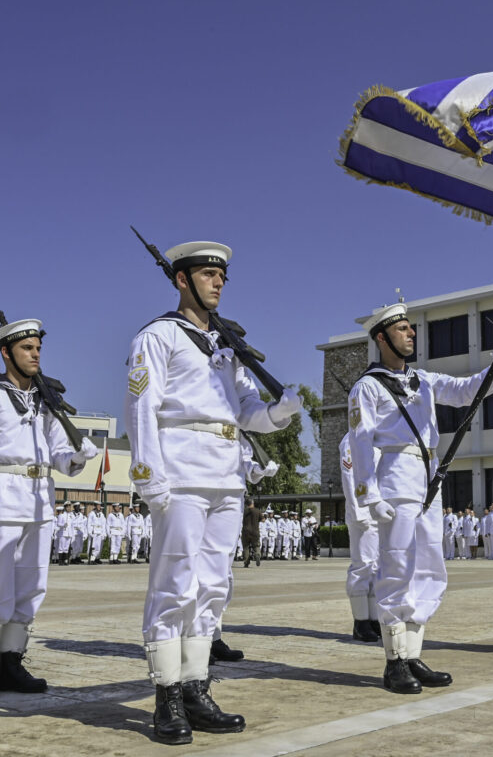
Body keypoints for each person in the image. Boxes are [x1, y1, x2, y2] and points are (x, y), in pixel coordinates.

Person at [126, 240, 302, 744]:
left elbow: (244, 412)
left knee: (212, 586)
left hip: (226, 475)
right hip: (179, 471)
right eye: (207, 274)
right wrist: (147, 474)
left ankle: (197, 687)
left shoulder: (226, 347)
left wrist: (279, 413)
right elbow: (141, 407)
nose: (218, 282)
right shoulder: (158, 336)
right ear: (182, 280)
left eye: (221, 275)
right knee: (174, 584)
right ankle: (166, 696)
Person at [348, 300, 493, 694]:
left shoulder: (422, 380)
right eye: (402, 329)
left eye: (410, 328)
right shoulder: (367, 387)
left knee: (429, 566)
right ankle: (394, 661)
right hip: (395, 475)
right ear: (381, 337)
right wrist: (369, 494)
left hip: (428, 478)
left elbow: (463, 391)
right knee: (397, 566)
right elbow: (360, 441)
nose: (411, 333)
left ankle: (412, 652)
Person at [0, 316, 97, 702]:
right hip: (0, 498)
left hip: (39, 500)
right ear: (6, 353)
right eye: (26, 349)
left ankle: (12, 662)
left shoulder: (44, 400)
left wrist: (78, 456)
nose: (35, 355)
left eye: (38, 349)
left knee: (32, 586)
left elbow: (58, 454)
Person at [340, 435, 380, 641]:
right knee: (362, 565)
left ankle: (373, 619)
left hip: (380, 513)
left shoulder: (380, 437)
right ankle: (360, 622)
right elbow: (350, 476)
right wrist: (359, 512)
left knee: (376, 568)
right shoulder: (353, 439)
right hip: (363, 513)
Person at [241, 498, 262, 568]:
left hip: (246, 532)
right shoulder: (257, 511)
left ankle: (246, 562)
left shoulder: (244, 511)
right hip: (255, 531)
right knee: (256, 546)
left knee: (246, 547)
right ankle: (257, 554)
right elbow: (263, 520)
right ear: (253, 503)